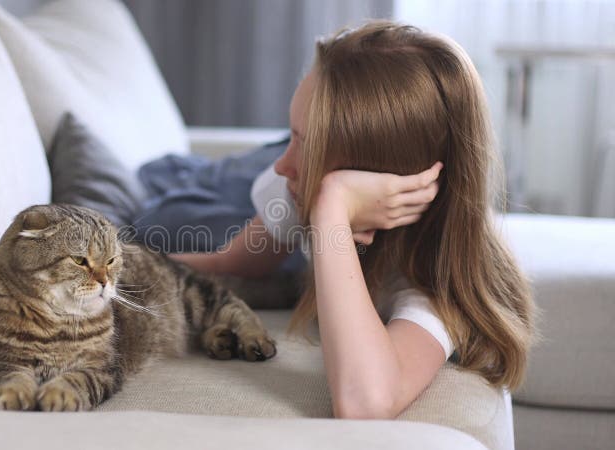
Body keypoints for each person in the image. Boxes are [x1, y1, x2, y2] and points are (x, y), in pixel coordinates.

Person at [168, 21, 536, 420]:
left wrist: (332, 207)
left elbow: (364, 401)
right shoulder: (294, 178)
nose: (284, 164)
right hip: (241, 180)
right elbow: (230, 263)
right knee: (174, 207)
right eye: (293, 136)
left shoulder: (435, 279)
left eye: (304, 144)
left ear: (372, 170)